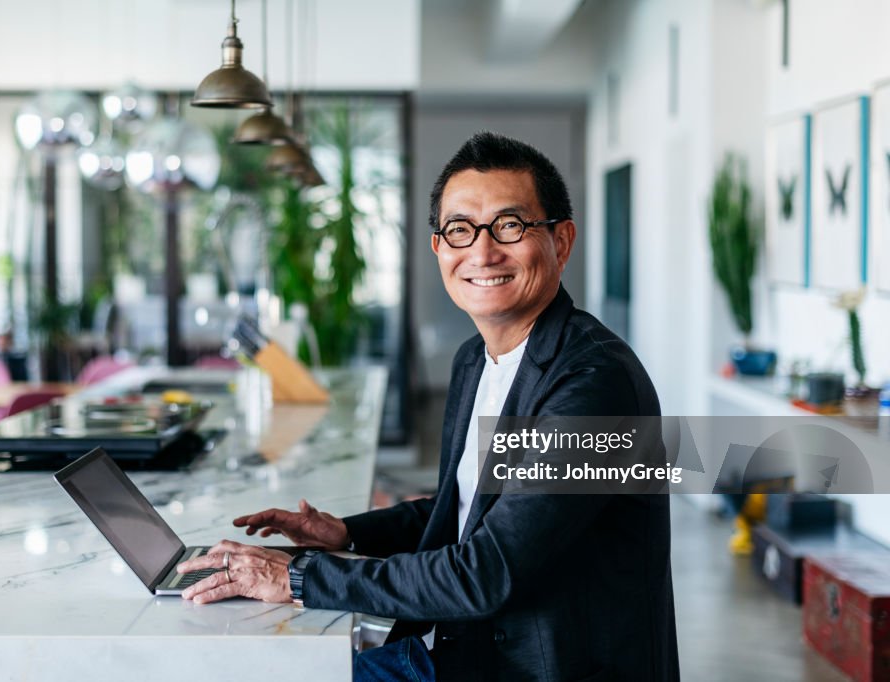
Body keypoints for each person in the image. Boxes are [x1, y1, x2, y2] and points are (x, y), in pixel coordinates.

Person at [178, 131, 680, 681]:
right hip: (462, 648)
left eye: (510, 226)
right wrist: (347, 534)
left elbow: (486, 570)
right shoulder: (474, 361)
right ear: (439, 247)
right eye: (461, 230)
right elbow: (467, 507)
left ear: (562, 241)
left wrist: (299, 578)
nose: (482, 252)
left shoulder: (595, 384)